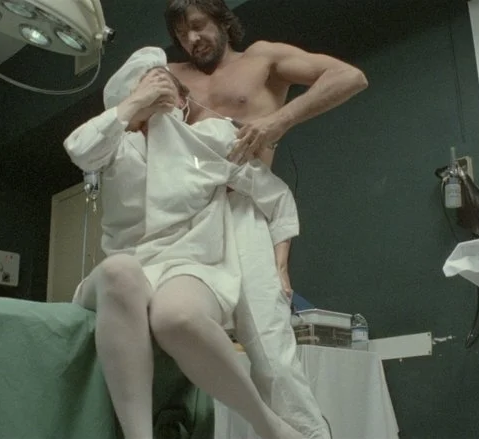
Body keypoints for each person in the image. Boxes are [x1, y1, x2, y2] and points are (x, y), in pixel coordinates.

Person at [63, 46, 304, 439]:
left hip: (188, 268)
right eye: (153, 85)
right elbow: (79, 149)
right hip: (127, 269)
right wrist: (136, 103)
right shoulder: (114, 146)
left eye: (171, 89)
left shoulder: (205, 143)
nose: (166, 96)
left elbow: (276, 197)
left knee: (176, 317)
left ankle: (268, 425)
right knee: (120, 270)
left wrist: (280, 265)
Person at [164, 1, 369, 438]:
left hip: (244, 209)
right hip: (183, 216)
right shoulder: (172, 76)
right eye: (182, 34)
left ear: (221, 20)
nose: (192, 39)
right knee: (169, 333)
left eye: (198, 26)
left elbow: (350, 76)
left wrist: (278, 121)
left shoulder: (263, 59)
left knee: (271, 354)